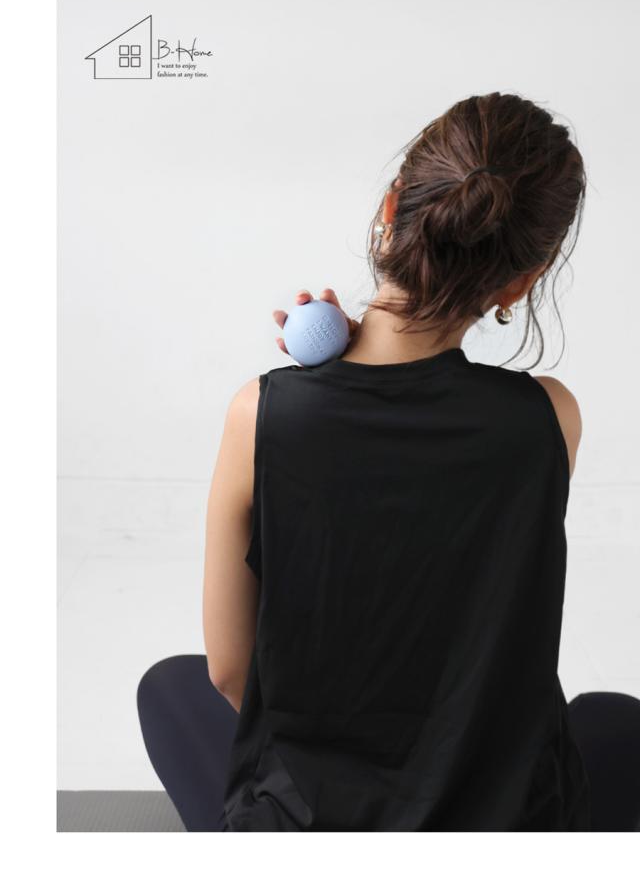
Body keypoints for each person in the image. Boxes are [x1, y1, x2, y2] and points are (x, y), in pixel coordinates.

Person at [137, 92, 640, 831]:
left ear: (392, 205)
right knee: (610, 720)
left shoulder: (261, 415)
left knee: (170, 686)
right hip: (497, 825)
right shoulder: (550, 418)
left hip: (315, 827)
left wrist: (338, 367)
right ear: (523, 280)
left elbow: (231, 672)